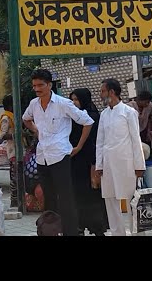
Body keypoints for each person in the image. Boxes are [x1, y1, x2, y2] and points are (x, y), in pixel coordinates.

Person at [22, 69, 94, 236]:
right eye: (34, 86)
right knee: (48, 197)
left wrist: (79, 146)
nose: (37, 89)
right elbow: (26, 118)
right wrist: (36, 130)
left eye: (41, 85)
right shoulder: (34, 104)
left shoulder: (63, 103)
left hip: (60, 156)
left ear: (49, 85)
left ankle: (71, 232)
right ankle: (51, 231)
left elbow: (87, 121)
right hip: (42, 157)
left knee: (66, 198)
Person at [95, 78, 146, 236]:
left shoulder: (129, 112)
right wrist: (99, 165)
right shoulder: (104, 114)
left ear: (112, 92)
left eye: (103, 91)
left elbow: (135, 140)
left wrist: (139, 166)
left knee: (132, 200)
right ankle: (118, 233)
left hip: (126, 163)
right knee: (110, 200)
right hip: (108, 164)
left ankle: (138, 233)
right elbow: (100, 142)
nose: (101, 94)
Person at [69, 88, 108, 236]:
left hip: (90, 161)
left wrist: (96, 163)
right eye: (71, 99)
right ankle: (79, 225)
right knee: (77, 195)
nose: (73, 102)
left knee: (92, 196)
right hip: (75, 162)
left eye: (76, 99)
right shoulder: (71, 117)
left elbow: (96, 141)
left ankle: (97, 227)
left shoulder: (93, 117)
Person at [0, 94, 17, 207]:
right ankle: (14, 201)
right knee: (14, 177)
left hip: (18, 150)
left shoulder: (13, 116)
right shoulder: (6, 118)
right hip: (13, 150)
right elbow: (2, 135)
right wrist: (18, 135)